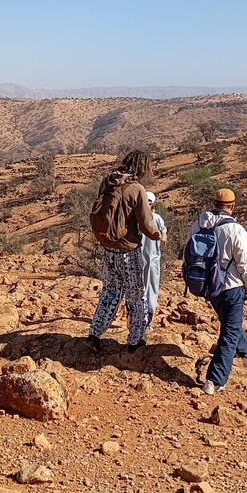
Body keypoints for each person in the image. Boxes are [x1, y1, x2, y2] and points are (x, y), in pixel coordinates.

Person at [87, 149, 162, 354]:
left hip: (108, 246)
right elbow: (146, 225)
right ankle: (136, 340)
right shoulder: (136, 188)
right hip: (129, 250)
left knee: (110, 292)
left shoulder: (107, 180)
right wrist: (159, 235)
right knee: (136, 295)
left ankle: (94, 334)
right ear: (142, 167)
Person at [187, 188, 247, 394]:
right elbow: (246, 262)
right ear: (232, 207)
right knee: (228, 332)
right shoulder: (235, 230)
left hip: (208, 286)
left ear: (214, 204)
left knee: (230, 325)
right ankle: (214, 381)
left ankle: (246, 351)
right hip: (232, 287)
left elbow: (188, 254)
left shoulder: (197, 225)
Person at [139, 192, 168, 329]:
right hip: (152, 259)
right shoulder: (157, 218)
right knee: (151, 289)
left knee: (137, 289)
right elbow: (164, 236)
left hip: (137, 258)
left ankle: (136, 319)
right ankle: (147, 321)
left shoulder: (135, 217)